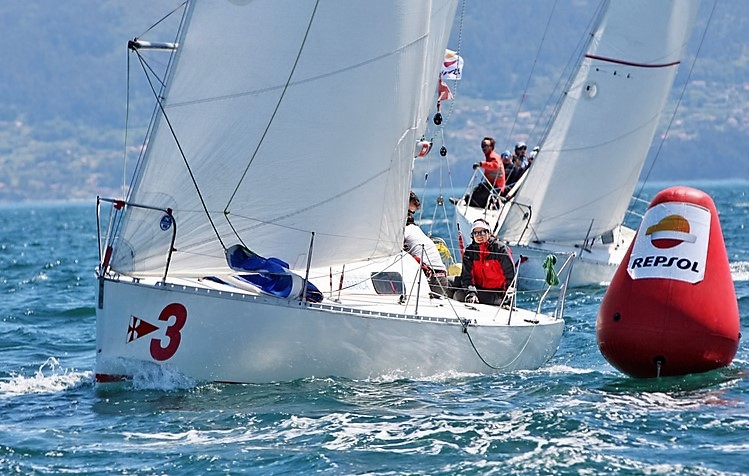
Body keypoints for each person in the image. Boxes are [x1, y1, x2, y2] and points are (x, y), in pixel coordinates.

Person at [452, 218, 515, 305]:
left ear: (489, 233)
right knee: (448, 283)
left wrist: (508, 297)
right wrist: (471, 293)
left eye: (483, 232)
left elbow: (511, 275)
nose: (479, 236)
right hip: (478, 288)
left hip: (497, 293)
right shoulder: (470, 252)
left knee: (459, 295)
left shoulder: (500, 249)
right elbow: (467, 277)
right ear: (472, 236)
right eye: (476, 233)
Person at [404, 192, 449, 295]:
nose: (410, 216)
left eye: (412, 213)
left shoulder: (403, 231)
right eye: (408, 212)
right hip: (441, 278)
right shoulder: (415, 229)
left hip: (428, 279)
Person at [467, 137, 505, 207]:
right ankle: (467, 201)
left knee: (476, 195)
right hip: (491, 184)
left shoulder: (493, 156)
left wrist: (481, 164)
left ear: (491, 147)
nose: (483, 147)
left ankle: (469, 202)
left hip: (496, 187)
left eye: (486, 145)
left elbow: (495, 165)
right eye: (482, 145)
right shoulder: (489, 156)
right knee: (475, 191)